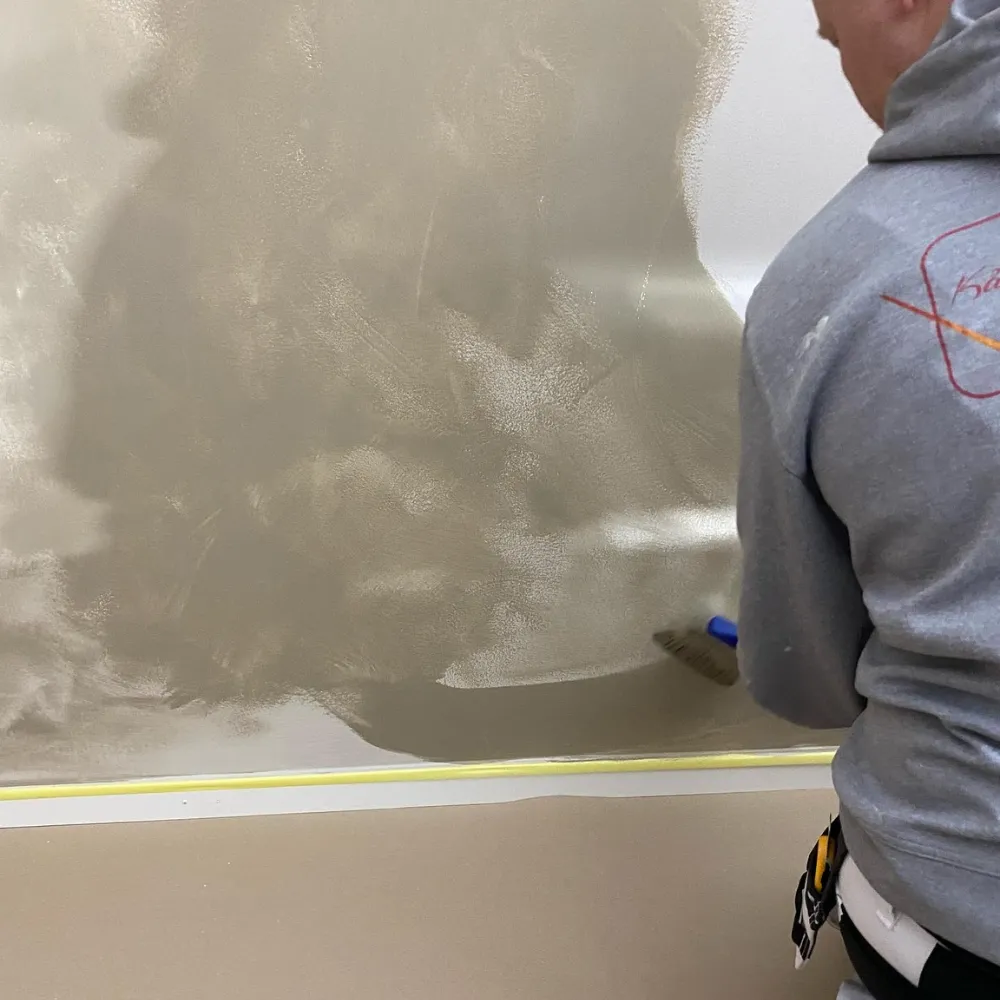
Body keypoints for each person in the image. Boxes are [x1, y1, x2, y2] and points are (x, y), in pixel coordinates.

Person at [737, 0, 1000, 996]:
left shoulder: (835, 279)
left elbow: (804, 680)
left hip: (960, 919)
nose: (836, 64)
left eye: (829, 34)